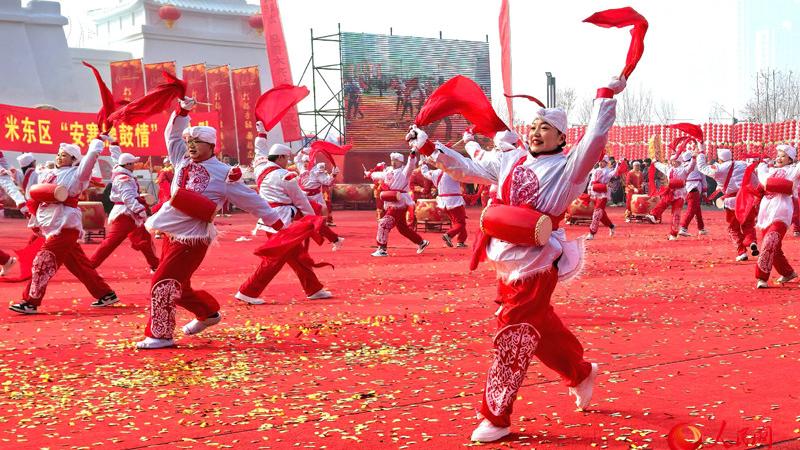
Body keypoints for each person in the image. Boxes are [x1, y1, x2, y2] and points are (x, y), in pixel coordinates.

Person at [408, 75, 626, 442]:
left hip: (537, 263)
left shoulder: (570, 167)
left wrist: (604, 95)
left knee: (512, 334)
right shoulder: (511, 161)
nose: (538, 132)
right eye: (535, 126)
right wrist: (430, 147)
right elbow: (468, 169)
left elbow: (596, 138)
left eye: (547, 128)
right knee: (539, 329)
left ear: (561, 137)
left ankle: (496, 416)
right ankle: (580, 372)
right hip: (505, 257)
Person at [137, 97, 283, 349]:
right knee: (179, 286)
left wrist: (276, 223)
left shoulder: (224, 173)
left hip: (193, 238)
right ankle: (207, 313)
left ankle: (160, 334)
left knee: (162, 282)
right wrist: (183, 111)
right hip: (171, 233)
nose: (191, 146)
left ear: (211, 145)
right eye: (190, 142)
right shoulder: (181, 160)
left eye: (198, 142)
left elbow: (250, 199)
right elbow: (171, 136)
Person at [9, 140, 119, 314]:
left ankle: (30, 301)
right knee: (79, 265)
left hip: (66, 225)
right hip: (50, 223)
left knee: (43, 261)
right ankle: (105, 294)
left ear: (74, 159)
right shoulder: (48, 173)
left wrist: (96, 146)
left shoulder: (78, 174)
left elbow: (88, 162)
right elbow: (35, 192)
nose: (60, 157)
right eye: (59, 154)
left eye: (64, 155)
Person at [234, 128, 336, 305]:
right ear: (280, 157)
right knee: (276, 259)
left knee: (297, 255)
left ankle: (314, 288)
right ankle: (247, 291)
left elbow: (259, 150)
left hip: (268, 219)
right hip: (282, 222)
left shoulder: (260, 167)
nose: (287, 162)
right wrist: (313, 220)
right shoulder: (285, 175)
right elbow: (300, 200)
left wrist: (261, 135)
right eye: (286, 158)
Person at [89, 145, 159, 272]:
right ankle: (90, 265)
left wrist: (114, 145)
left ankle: (155, 265)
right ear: (127, 165)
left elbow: (116, 158)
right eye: (132, 163)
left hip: (128, 213)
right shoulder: (124, 179)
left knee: (144, 240)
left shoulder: (119, 170)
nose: (134, 165)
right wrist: (140, 210)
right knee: (111, 242)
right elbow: (128, 198)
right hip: (125, 214)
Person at [696, 147, 758, 261]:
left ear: (720, 159)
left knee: (733, 228)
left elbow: (702, 167)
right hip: (747, 198)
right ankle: (752, 241)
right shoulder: (744, 164)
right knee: (748, 224)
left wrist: (700, 151)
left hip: (732, 201)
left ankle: (741, 252)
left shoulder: (719, 168)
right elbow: (754, 180)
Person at [753, 144, 799, 288]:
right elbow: (762, 180)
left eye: (783, 156)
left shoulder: (793, 171)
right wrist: (761, 166)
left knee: (770, 241)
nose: (779, 158)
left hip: (782, 212)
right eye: (778, 155)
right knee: (774, 247)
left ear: (790, 159)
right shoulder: (769, 171)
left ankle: (761, 277)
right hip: (766, 213)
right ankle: (787, 273)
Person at [367, 152, 429, 257]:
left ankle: (382, 249)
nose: (393, 162)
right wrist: (370, 174)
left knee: (384, 224)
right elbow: (379, 175)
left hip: (399, 202)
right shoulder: (389, 171)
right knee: (403, 229)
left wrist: (412, 156)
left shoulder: (405, 172)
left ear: (401, 162)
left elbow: (411, 165)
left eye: (396, 161)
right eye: (392, 160)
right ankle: (421, 242)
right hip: (390, 199)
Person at [420, 157, 468, 247]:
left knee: (456, 222)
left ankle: (460, 241)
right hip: (455, 201)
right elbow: (465, 172)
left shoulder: (435, 173)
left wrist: (423, 164)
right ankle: (449, 235)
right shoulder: (454, 171)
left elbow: (425, 173)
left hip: (443, 202)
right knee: (461, 223)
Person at [649, 151, 696, 240]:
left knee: (676, 214)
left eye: (674, 161)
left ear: (678, 161)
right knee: (662, 203)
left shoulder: (684, 169)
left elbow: (692, 166)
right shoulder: (669, 169)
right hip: (670, 192)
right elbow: (661, 166)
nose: (672, 162)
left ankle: (673, 234)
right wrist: (655, 161)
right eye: (672, 161)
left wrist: (693, 158)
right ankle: (654, 216)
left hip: (680, 195)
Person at [586, 156, 624, 240]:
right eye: (600, 161)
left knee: (597, 213)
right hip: (594, 193)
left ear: (606, 163)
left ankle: (591, 233)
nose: (601, 163)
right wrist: (589, 190)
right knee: (601, 215)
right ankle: (611, 225)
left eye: (603, 161)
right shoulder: (595, 170)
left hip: (603, 194)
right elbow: (591, 182)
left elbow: (614, 173)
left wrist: (618, 164)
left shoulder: (608, 171)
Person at [679, 141, 708, 236]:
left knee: (697, 209)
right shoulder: (695, 165)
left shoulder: (682, 166)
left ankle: (701, 228)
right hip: (694, 188)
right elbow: (703, 177)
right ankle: (683, 227)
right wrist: (704, 191)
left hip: (687, 189)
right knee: (691, 209)